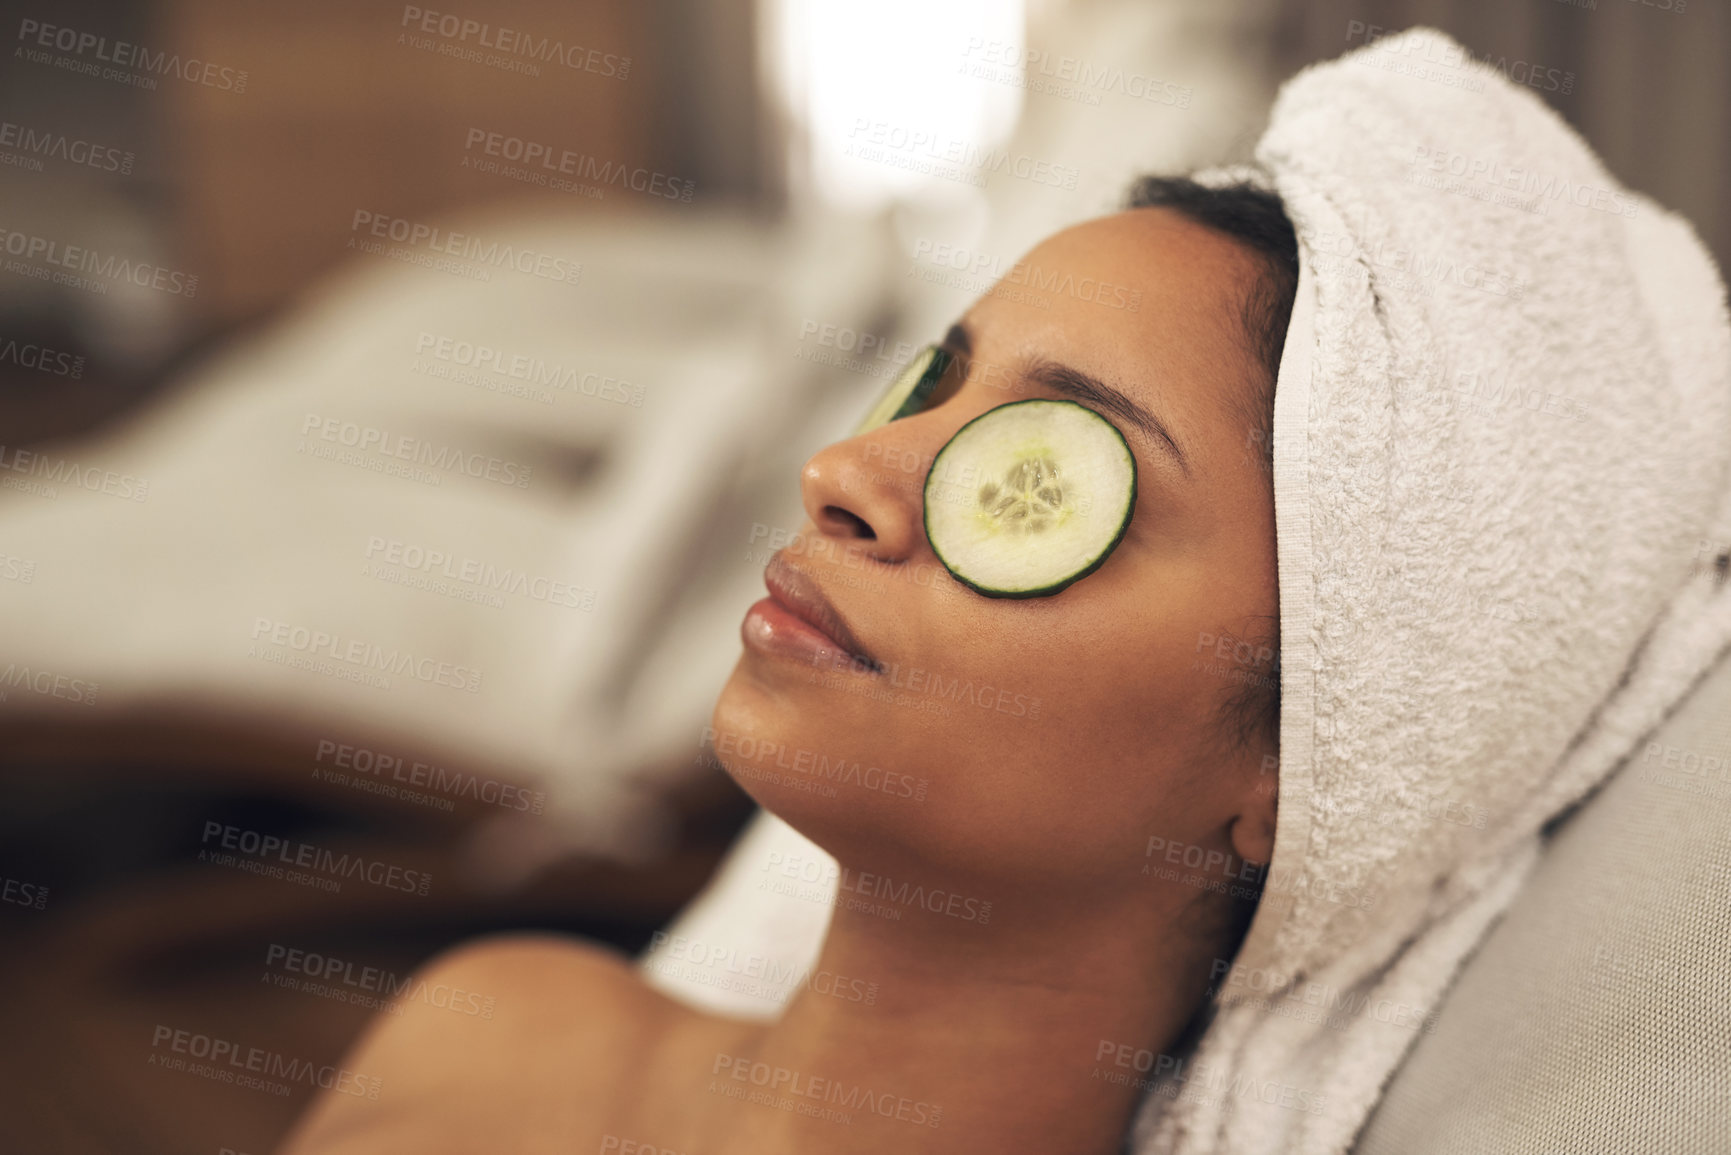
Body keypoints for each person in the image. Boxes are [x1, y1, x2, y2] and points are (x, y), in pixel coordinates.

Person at [276, 175, 1300, 1155]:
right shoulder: (492, 1031)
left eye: (1042, 470)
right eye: (928, 388)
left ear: (1303, 760)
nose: (839, 471)